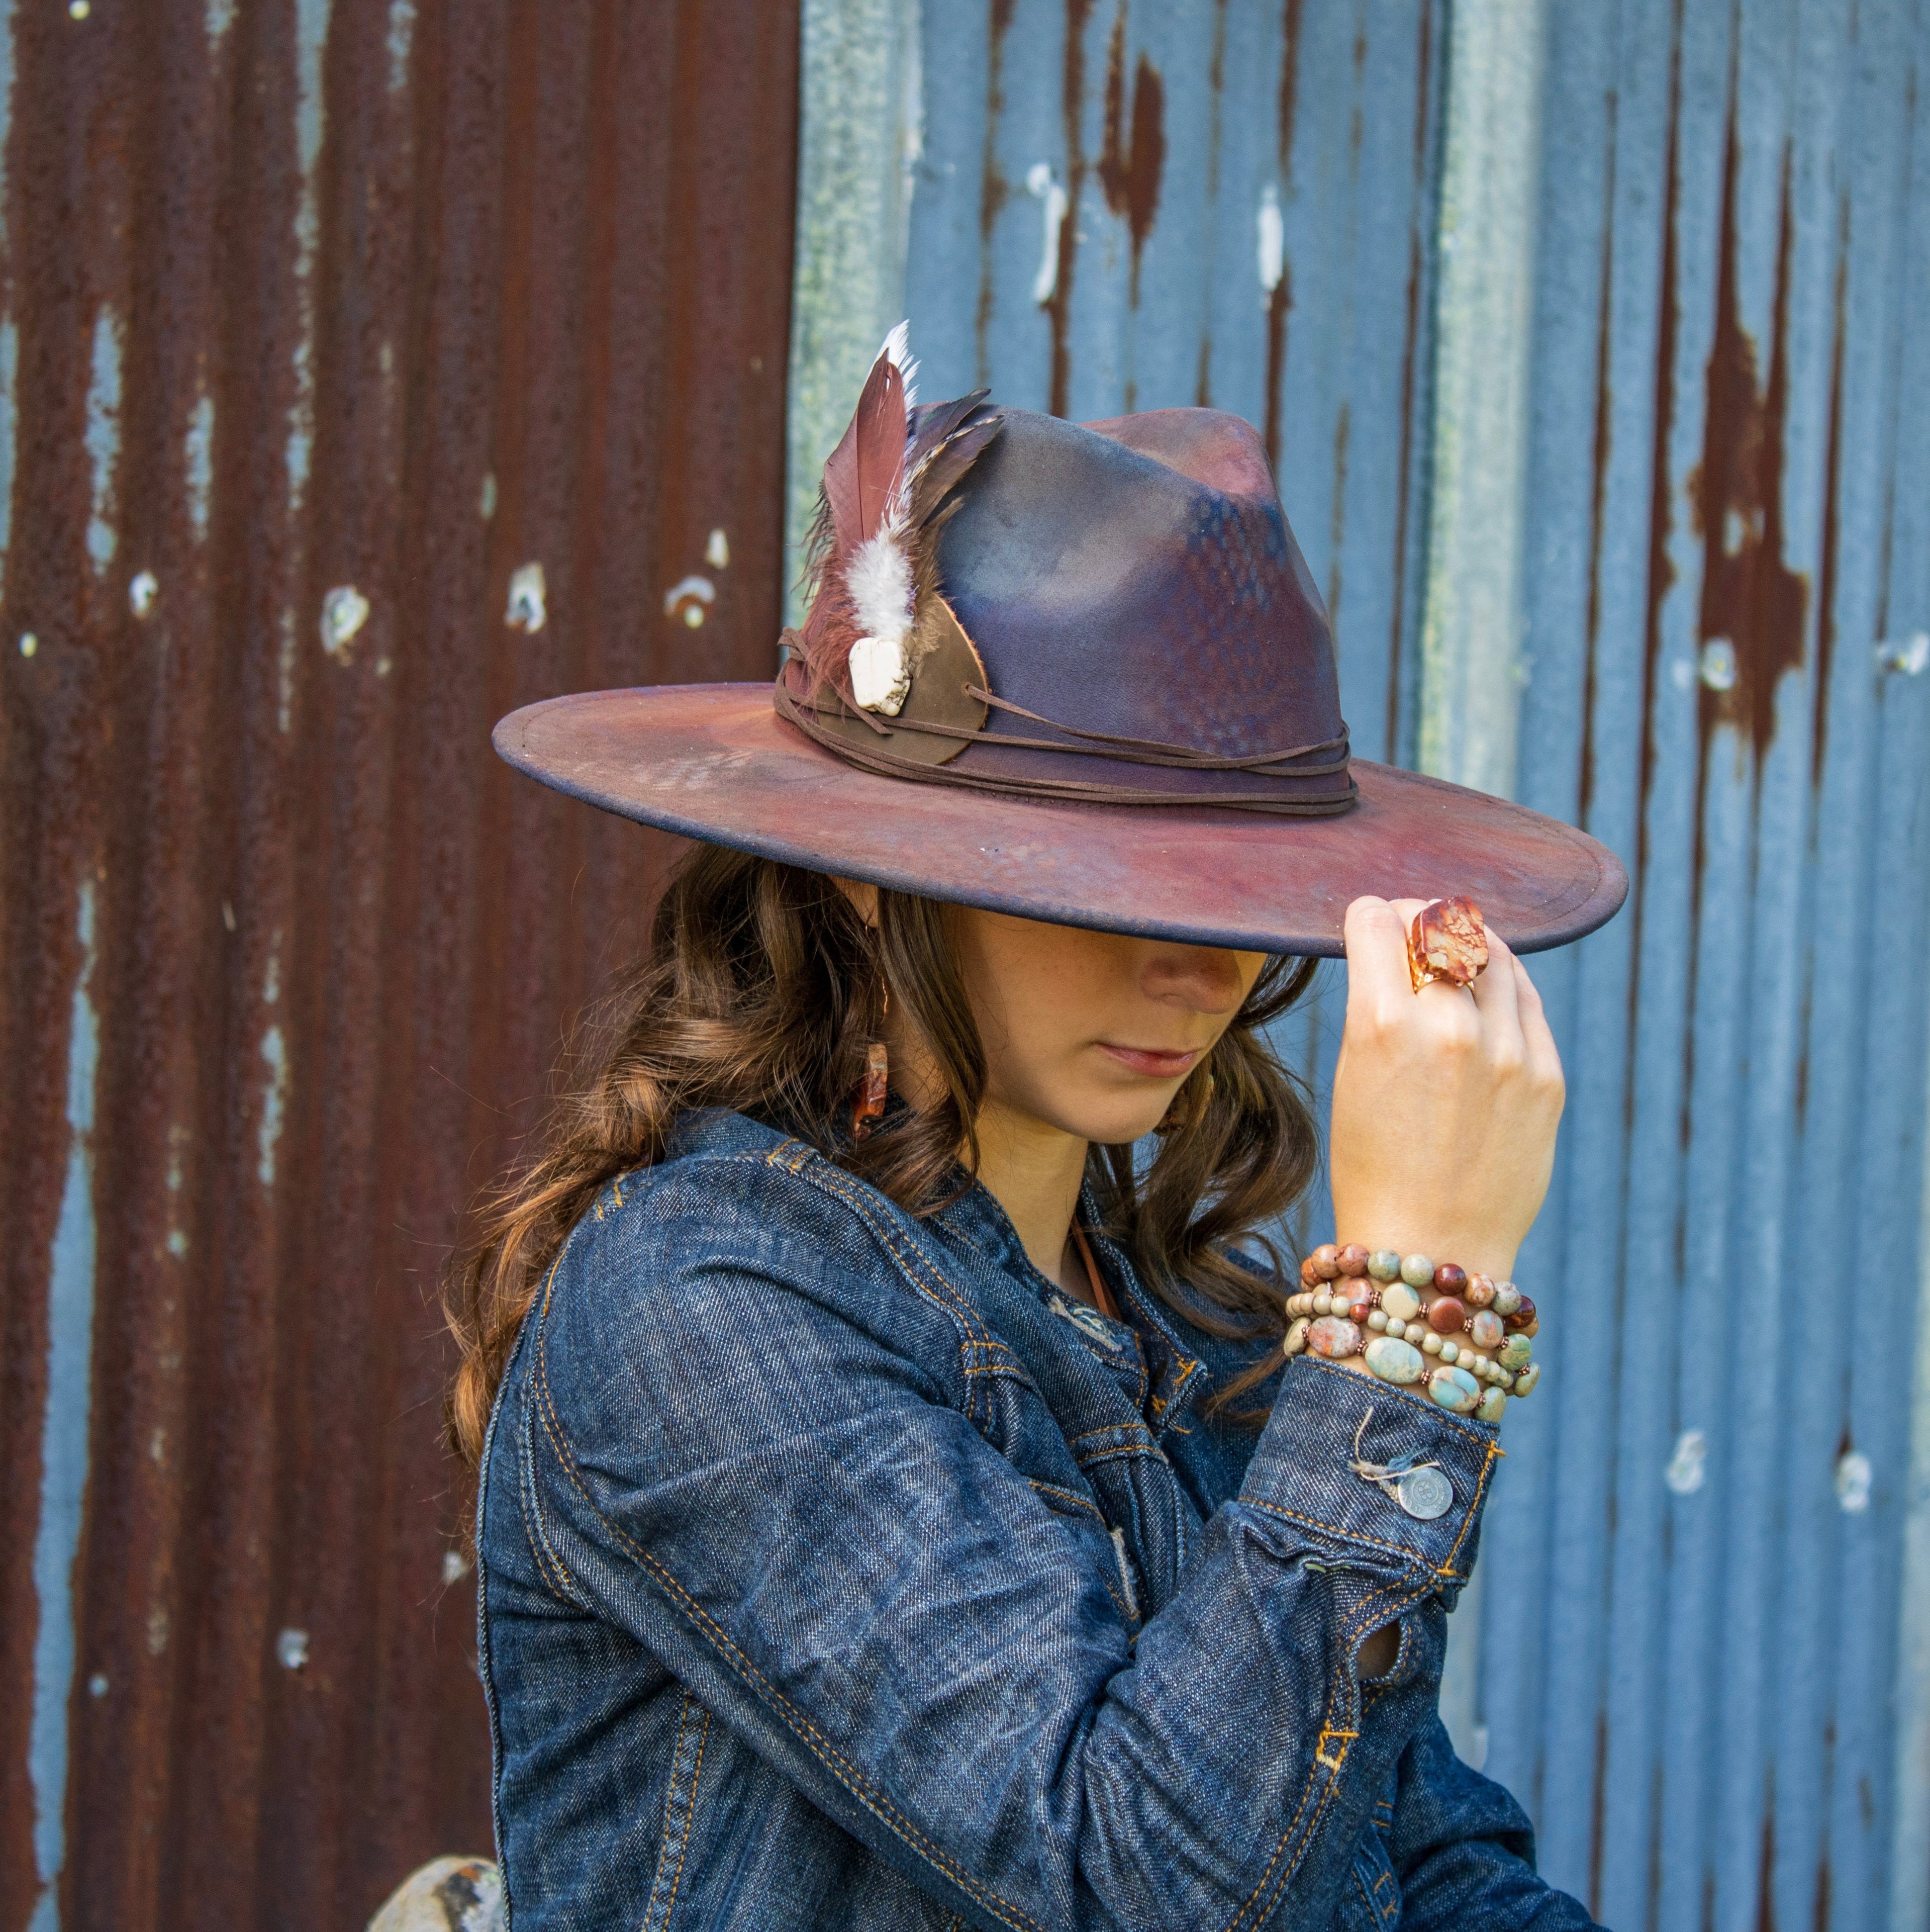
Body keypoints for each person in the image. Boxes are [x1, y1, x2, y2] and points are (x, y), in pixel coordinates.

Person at [445, 337, 1626, 1929]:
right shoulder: (697, 1304)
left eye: (1239, 894)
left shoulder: (1201, 1328)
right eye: (1107, 886)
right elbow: (1143, 1885)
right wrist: (1412, 1316)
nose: (1200, 966)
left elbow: (1418, 1862)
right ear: (872, 868)